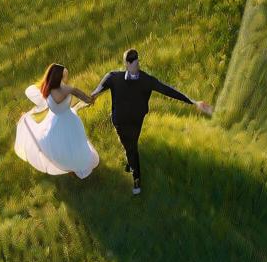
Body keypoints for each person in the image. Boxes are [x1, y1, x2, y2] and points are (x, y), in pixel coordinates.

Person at [91, 48, 212, 195]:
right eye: (132, 63)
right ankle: (133, 171)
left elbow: (168, 90)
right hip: (120, 121)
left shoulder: (146, 80)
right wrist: (93, 94)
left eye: (137, 62)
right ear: (126, 64)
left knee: (132, 146)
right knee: (129, 146)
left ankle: (134, 171)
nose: (136, 66)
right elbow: (99, 88)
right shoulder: (114, 77)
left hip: (136, 121)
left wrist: (193, 102)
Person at [14, 62, 100, 178]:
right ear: (59, 77)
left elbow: (35, 95)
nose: (66, 77)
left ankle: (69, 164)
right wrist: (93, 98)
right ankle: (76, 164)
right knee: (74, 144)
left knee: (60, 145)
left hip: (55, 122)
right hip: (70, 121)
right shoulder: (68, 89)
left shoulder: (47, 89)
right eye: (65, 75)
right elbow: (87, 99)